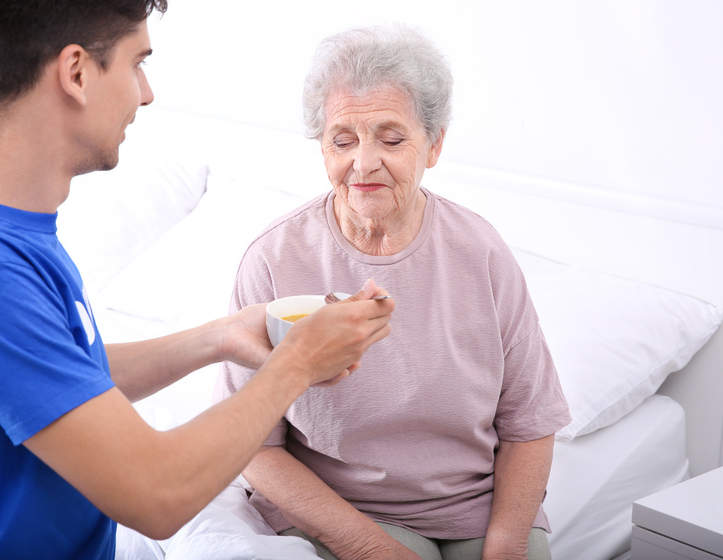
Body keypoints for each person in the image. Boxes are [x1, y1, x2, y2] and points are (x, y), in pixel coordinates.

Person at [0, 2, 396, 558]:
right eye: (136, 63)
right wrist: (295, 364)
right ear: (76, 72)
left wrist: (217, 337)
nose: (145, 94)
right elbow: (157, 496)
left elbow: (54, 375)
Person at [214, 24, 572, 560]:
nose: (363, 162)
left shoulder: (484, 254)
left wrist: (506, 546)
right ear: (321, 146)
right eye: (342, 140)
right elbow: (252, 448)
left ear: (434, 143)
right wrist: (367, 545)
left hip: (474, 505)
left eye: (391, 137)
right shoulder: (273, 260)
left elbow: (529, 421)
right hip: (343, 507)